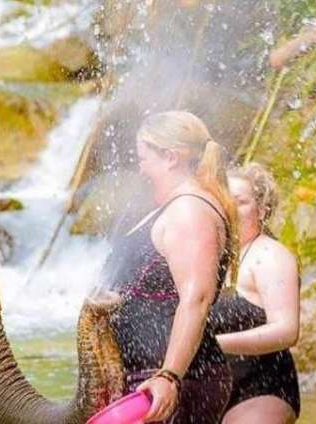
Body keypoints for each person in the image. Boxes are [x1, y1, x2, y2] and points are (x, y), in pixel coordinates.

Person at [102, 110, 240, 423]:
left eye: (144, 158)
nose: (141, 167)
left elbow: (197, 298)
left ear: (170, 157)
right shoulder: (175, 205)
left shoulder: (190, 211)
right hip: (150, 377)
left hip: (174, 381)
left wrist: (169, 375)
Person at [211, 163, 300, 423]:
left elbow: (286, 330)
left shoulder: (269, 255)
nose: (229, 208)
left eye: (240, 202)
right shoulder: (212, 257)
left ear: (262, 210)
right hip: (212, 386)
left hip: (261, 386)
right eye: (223, 199)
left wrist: (214, 346)